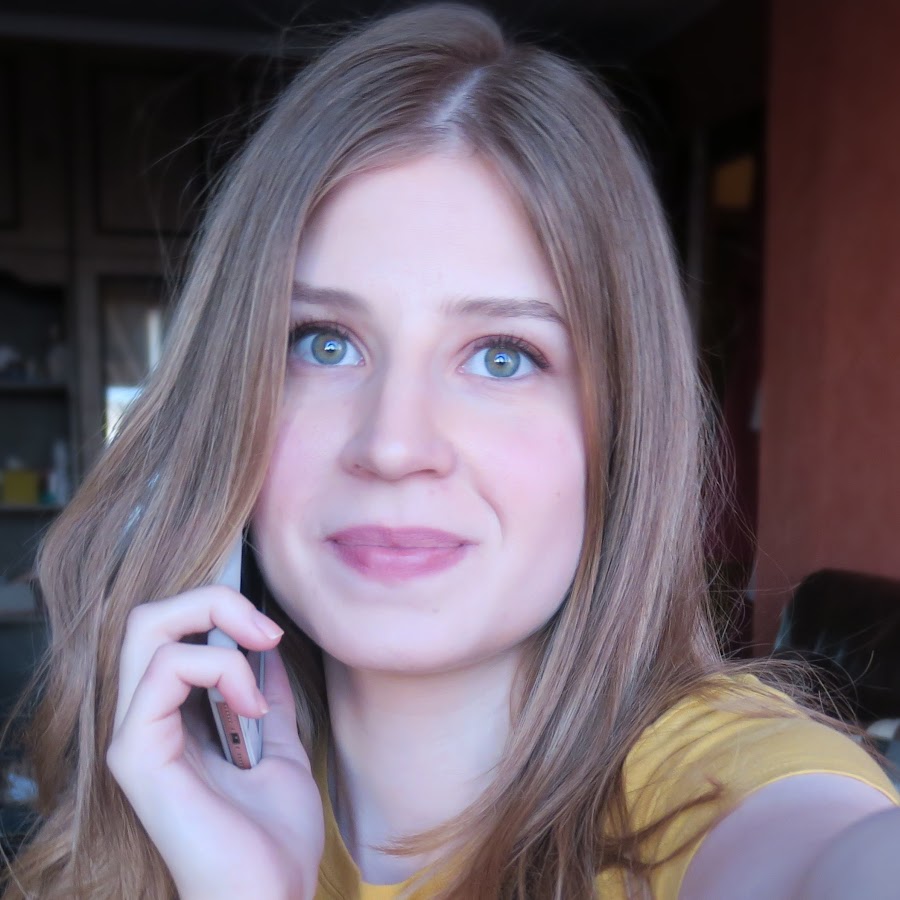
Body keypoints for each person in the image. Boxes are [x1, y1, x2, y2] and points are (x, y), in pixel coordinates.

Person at [3, 4, 900, 898]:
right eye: (322, 343)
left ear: (619, 435)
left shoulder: (727, 794)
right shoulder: (154, 799)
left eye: (503, 357)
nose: (394, 446)